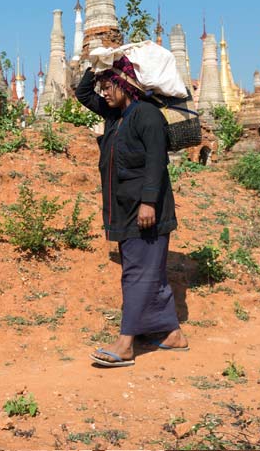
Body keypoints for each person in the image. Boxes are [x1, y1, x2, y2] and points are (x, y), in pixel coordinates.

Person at [75, 56, 189, 367]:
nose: (105, 92)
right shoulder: (116, 116)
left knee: (138, 274)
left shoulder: (147, 116)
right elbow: (83, 95)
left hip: (146, 211)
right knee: (147, 273)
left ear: (126, 85)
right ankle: (172, 335)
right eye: (104, 86)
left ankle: (125, 344)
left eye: (110, 86)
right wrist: (95, 66)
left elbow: (156, 161)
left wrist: (149, 202)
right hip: (125, 209)